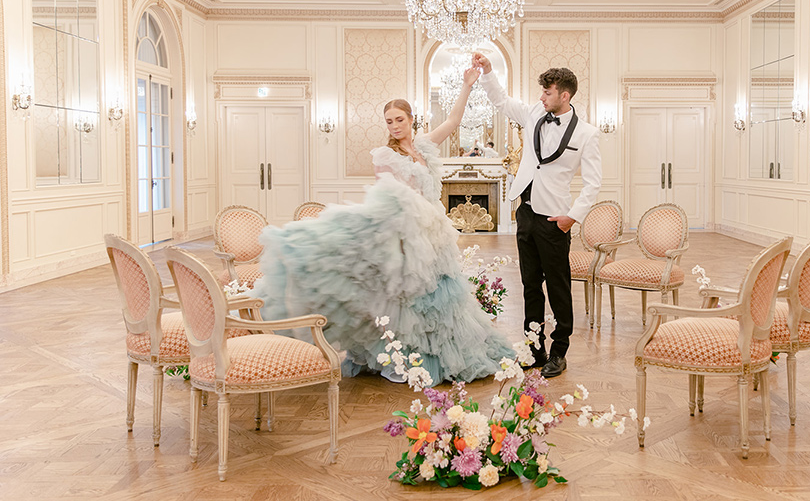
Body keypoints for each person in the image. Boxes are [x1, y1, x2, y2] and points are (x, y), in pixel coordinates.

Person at [249, 66, 512, 385]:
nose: (395, 125)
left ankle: (439, 353)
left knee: (442, 299)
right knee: (406, 300)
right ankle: (404, 355)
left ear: (411, 119)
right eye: (389, 121)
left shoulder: (425, 147)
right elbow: (390, 200)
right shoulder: (385, 156)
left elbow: (454, 121)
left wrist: (468, 85)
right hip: (407, 236)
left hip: (435, 236)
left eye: (399, 119)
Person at [474, 53, 602, 378]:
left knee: (558, 287)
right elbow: (501, 101)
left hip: (555, 220)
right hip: (526, 214)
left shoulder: (587, 134)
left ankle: (559, 352)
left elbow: (593, 183)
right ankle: (534, 348)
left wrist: (571, 217)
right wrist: (488, 72)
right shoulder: (534, 113)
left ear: (565, 95)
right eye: (542, 91)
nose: (541, 97)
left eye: (548, 92)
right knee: (530, 286)